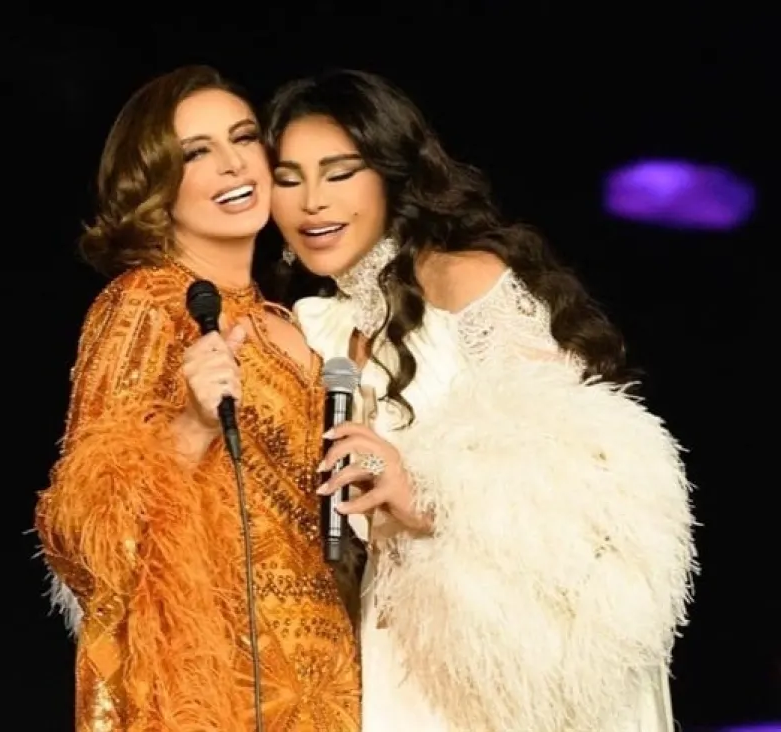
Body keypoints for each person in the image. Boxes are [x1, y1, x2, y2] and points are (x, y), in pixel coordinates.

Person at [264, 69, 696, 732]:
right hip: (396, 656)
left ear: (392, 176)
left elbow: (593, 478)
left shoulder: (464, 280)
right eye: (288, 179)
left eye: (340, 172)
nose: (313, 203)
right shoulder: (319, 326)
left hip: (518, 662)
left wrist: (424, 497)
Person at [34, 65, 362, 730]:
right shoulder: (146, 303)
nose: (233, 163)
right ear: (154, 186)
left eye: (243, 138)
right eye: (196, 153)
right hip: (210, 682)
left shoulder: (298, 325)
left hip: (334, 678)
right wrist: (190, 427)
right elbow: (76, 534)